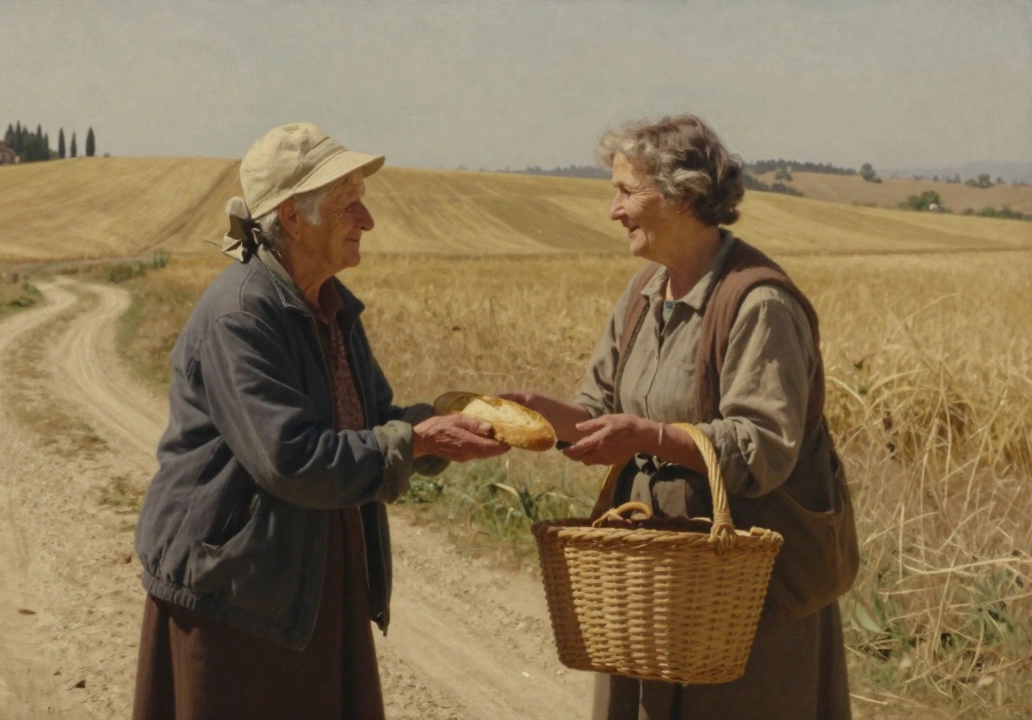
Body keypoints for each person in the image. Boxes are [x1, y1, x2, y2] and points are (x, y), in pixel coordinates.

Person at [131, 122, 509, 720]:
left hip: (301, 581)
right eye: (347, 204)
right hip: (234, 595)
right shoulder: (241, 314)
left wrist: (443, 430)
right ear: (292, 218)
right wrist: (411, 442)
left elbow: (374, 420)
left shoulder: (328, 306)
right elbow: (290, 458)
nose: (367, 220)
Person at [503, 114, 854, 720]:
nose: (613, 210)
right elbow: (598, 412)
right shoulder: (644, 293)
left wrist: (653, 437)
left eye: (625, 191)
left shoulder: (758, 302)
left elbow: (764, 447)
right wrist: (534, 415)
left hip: (741, 595)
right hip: (653, 593)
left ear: (684, 196)